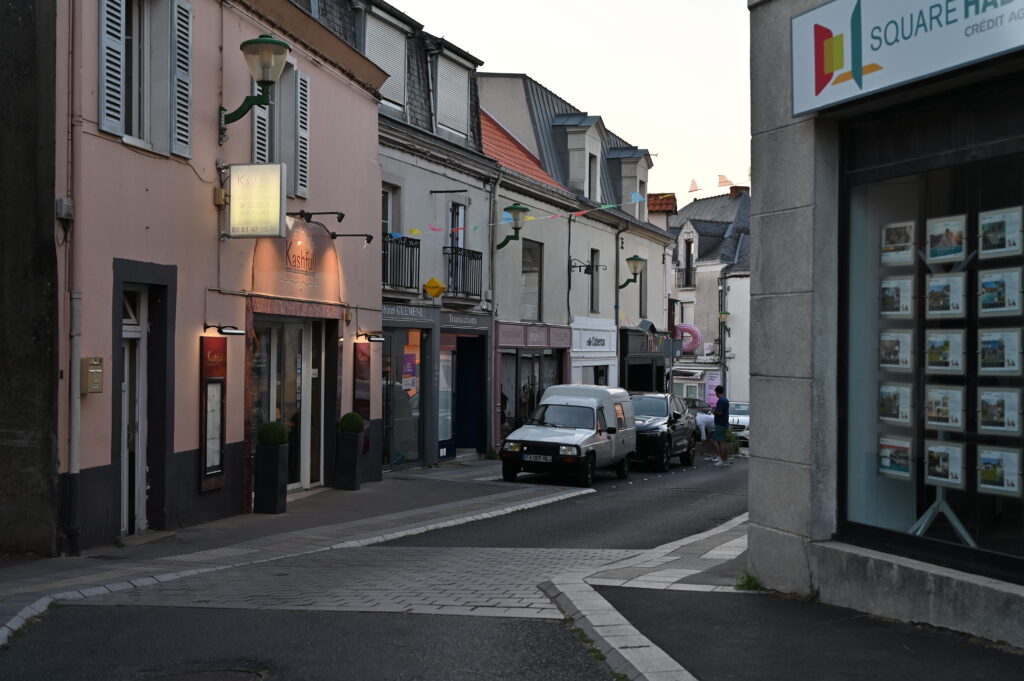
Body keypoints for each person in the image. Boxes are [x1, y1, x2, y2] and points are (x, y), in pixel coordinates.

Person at [711, 385, 731, 467]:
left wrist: (713, 411)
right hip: (724, 423)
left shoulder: (721, 401)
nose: (715, 394)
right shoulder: (725, 400)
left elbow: (719, 413)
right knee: (723, 442)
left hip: (720, 424)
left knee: (721, 442)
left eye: (715, 392)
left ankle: (723, 460)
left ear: (717, 392)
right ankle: (725, 460)